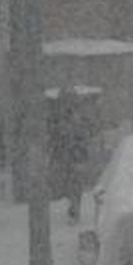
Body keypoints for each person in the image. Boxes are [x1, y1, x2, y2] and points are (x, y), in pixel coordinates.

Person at [49, 87, 93, 224]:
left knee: (74, 184)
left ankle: (74, 209)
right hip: (68, 157)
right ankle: (73, 207)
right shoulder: (60, 118)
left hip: (73, 157)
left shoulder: (75, 118)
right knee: (70, 184)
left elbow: (82, 137)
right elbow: (56, 139)